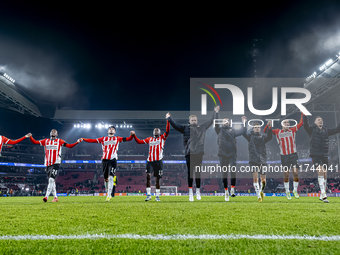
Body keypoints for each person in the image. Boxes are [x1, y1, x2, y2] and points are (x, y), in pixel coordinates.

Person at [166, 106, 220, 202]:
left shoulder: (202, 127)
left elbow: (211, 120)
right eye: (192, 120)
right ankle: (190, 193)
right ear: (189, 121)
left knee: (198, 173)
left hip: (199, 153)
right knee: (190, 173)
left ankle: (198, 191)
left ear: (197, 121)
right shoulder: (185, 128)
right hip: (189, 153)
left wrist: (215, 112)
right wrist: (169, 118)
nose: (194, 121)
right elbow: (175, 125)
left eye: (195, 120)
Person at [82, 126, 133, 202]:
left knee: (111, 177)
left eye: (113, 129)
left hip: (113, 160)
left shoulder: (117, 138)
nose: (111, 130)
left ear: (115, 132)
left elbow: (129, 139)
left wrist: (132, 135)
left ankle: (109, 195)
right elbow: (92, 140)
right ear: (107, 131)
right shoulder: (103, 139)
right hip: (105, 160)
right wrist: (83, 139)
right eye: (110, 129)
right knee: (106, 179)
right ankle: (107, 192)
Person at [30, 129, 82, 202]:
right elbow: (34, 142)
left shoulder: (60, 141)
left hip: (56, 162)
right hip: (48, 163)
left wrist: (77, 142)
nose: (53, 132)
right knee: (52, 181)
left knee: (51, 179)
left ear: (57, 134)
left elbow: (69, 146)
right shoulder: (45, 141)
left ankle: (46, 197)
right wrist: (30, 137)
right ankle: (55, 197)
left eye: (55, 132)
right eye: (52, 131)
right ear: (50, 133)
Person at [263, 113, 303, 200]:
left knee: (296, 173)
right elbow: (265, 132)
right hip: (284, 156)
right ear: (282, 124)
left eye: (288, 122)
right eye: (285, 122)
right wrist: (268, 125)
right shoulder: (277, 131)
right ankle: (287, 191)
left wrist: (302, 114)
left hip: (293, 155)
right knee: (286, 174)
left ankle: (295, 191)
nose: (287, 124)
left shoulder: (292, 130)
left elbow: (301, 123)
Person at [303, 114, 340, 203]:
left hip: (324, 155)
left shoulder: (326, 131)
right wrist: (304, 115)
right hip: (315, 154)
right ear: (315, 122)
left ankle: (322, 194)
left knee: (324, 174)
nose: (320, 120)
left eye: (321, 119)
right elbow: (305, 125)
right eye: (318, 120)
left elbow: (337, 129)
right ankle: (323, 193)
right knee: (320, 171)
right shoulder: (311, 130)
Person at [133, 119, 170, 202]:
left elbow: (167, 131)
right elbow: (139, 142)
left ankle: (157, 196)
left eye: (157, 130)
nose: (156, 130)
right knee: (148, 176)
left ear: (160, 132)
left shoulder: (162, 138)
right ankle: (148, 195)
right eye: (154, 130)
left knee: (157, 179)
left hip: (158, 161)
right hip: (150, 161)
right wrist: (134, 135)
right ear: (153, 132)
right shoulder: (149, 139)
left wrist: (168, 121)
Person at [215, 115, 247, 201]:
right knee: (224, 174)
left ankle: (232, 189)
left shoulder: (232, 130)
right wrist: (216, 113)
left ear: (229, 122)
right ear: (221, 123)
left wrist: (244, 122)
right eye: (224, 121)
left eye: (227, 121)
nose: (226, 122)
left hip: (232, 154)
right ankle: (226, 192)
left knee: (233, 172)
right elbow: (215, 121)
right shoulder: (219, 130)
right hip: (222, 154)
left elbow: (243, 131)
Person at [243, 121, 272, 202]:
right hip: (253, 160)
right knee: (255, 179)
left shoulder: (263, 137)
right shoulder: (250, 136)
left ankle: (261, 191)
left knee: (263, 181)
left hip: (262, 160)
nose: (257, 128)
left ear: (260, 129)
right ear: (253, 129)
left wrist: (269, 127)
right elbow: (243, 133)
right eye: (255, 127)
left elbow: (270, 137)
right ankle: (258, 196)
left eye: (258, 127)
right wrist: (244, 123)